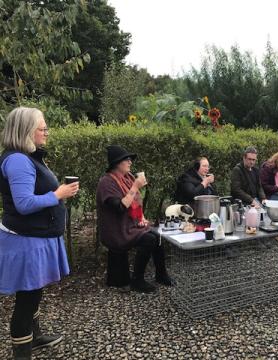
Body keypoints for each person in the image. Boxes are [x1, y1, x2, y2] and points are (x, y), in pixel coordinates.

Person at [0, 107, 78, 359]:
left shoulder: (27, 157)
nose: (46, 132)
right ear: (26, 130)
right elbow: (23, 204)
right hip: (25, 241)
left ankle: (34, 337)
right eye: (42, 128)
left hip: (35, 238)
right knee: (26, 298)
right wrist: (58, 195)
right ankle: (22, 352)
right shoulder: (18, 160)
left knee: (33, 291)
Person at [96, 145, 173, 294]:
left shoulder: (128, 177)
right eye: (127, 159)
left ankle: (161, 274)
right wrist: (135, 186)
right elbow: (120, 207)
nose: (130, 162)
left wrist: (141, 218)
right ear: (117, 163)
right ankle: (137, 280)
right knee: (149, 239)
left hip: (131, 225)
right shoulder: (106, 182)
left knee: (157, 236)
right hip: (117, 230)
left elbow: (136, 203)